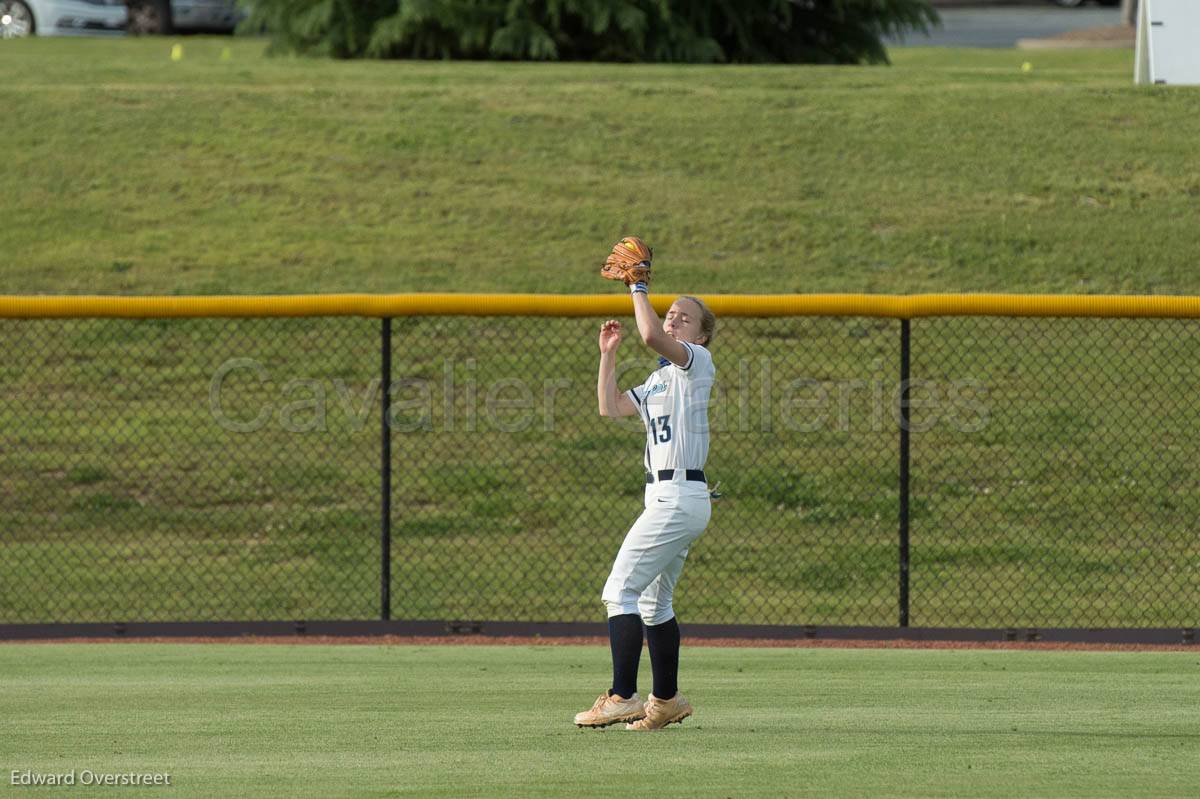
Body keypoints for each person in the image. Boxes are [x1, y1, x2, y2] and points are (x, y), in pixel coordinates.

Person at [573, 278, 717, 731]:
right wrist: (608, 355)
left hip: (677, 496)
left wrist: (638, 286)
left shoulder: (698, 364)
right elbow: (610, 407)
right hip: (670, 497)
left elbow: (652, 335)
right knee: (655, 604)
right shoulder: (658, 380)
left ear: (702, 336)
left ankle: (621, 695)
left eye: (684, 316)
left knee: (620, 591)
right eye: (670, 312)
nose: (673, 318)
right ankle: (667, 700)